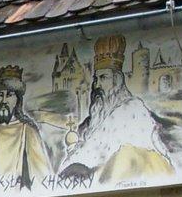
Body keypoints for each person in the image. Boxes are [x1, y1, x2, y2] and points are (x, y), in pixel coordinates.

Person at [60, 35, 173, 183]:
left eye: (103, 78)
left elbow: (98, 152)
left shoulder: (132, 108)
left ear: (117, 81)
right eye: (96, 79)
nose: (97, 85)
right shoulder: (94, 120)